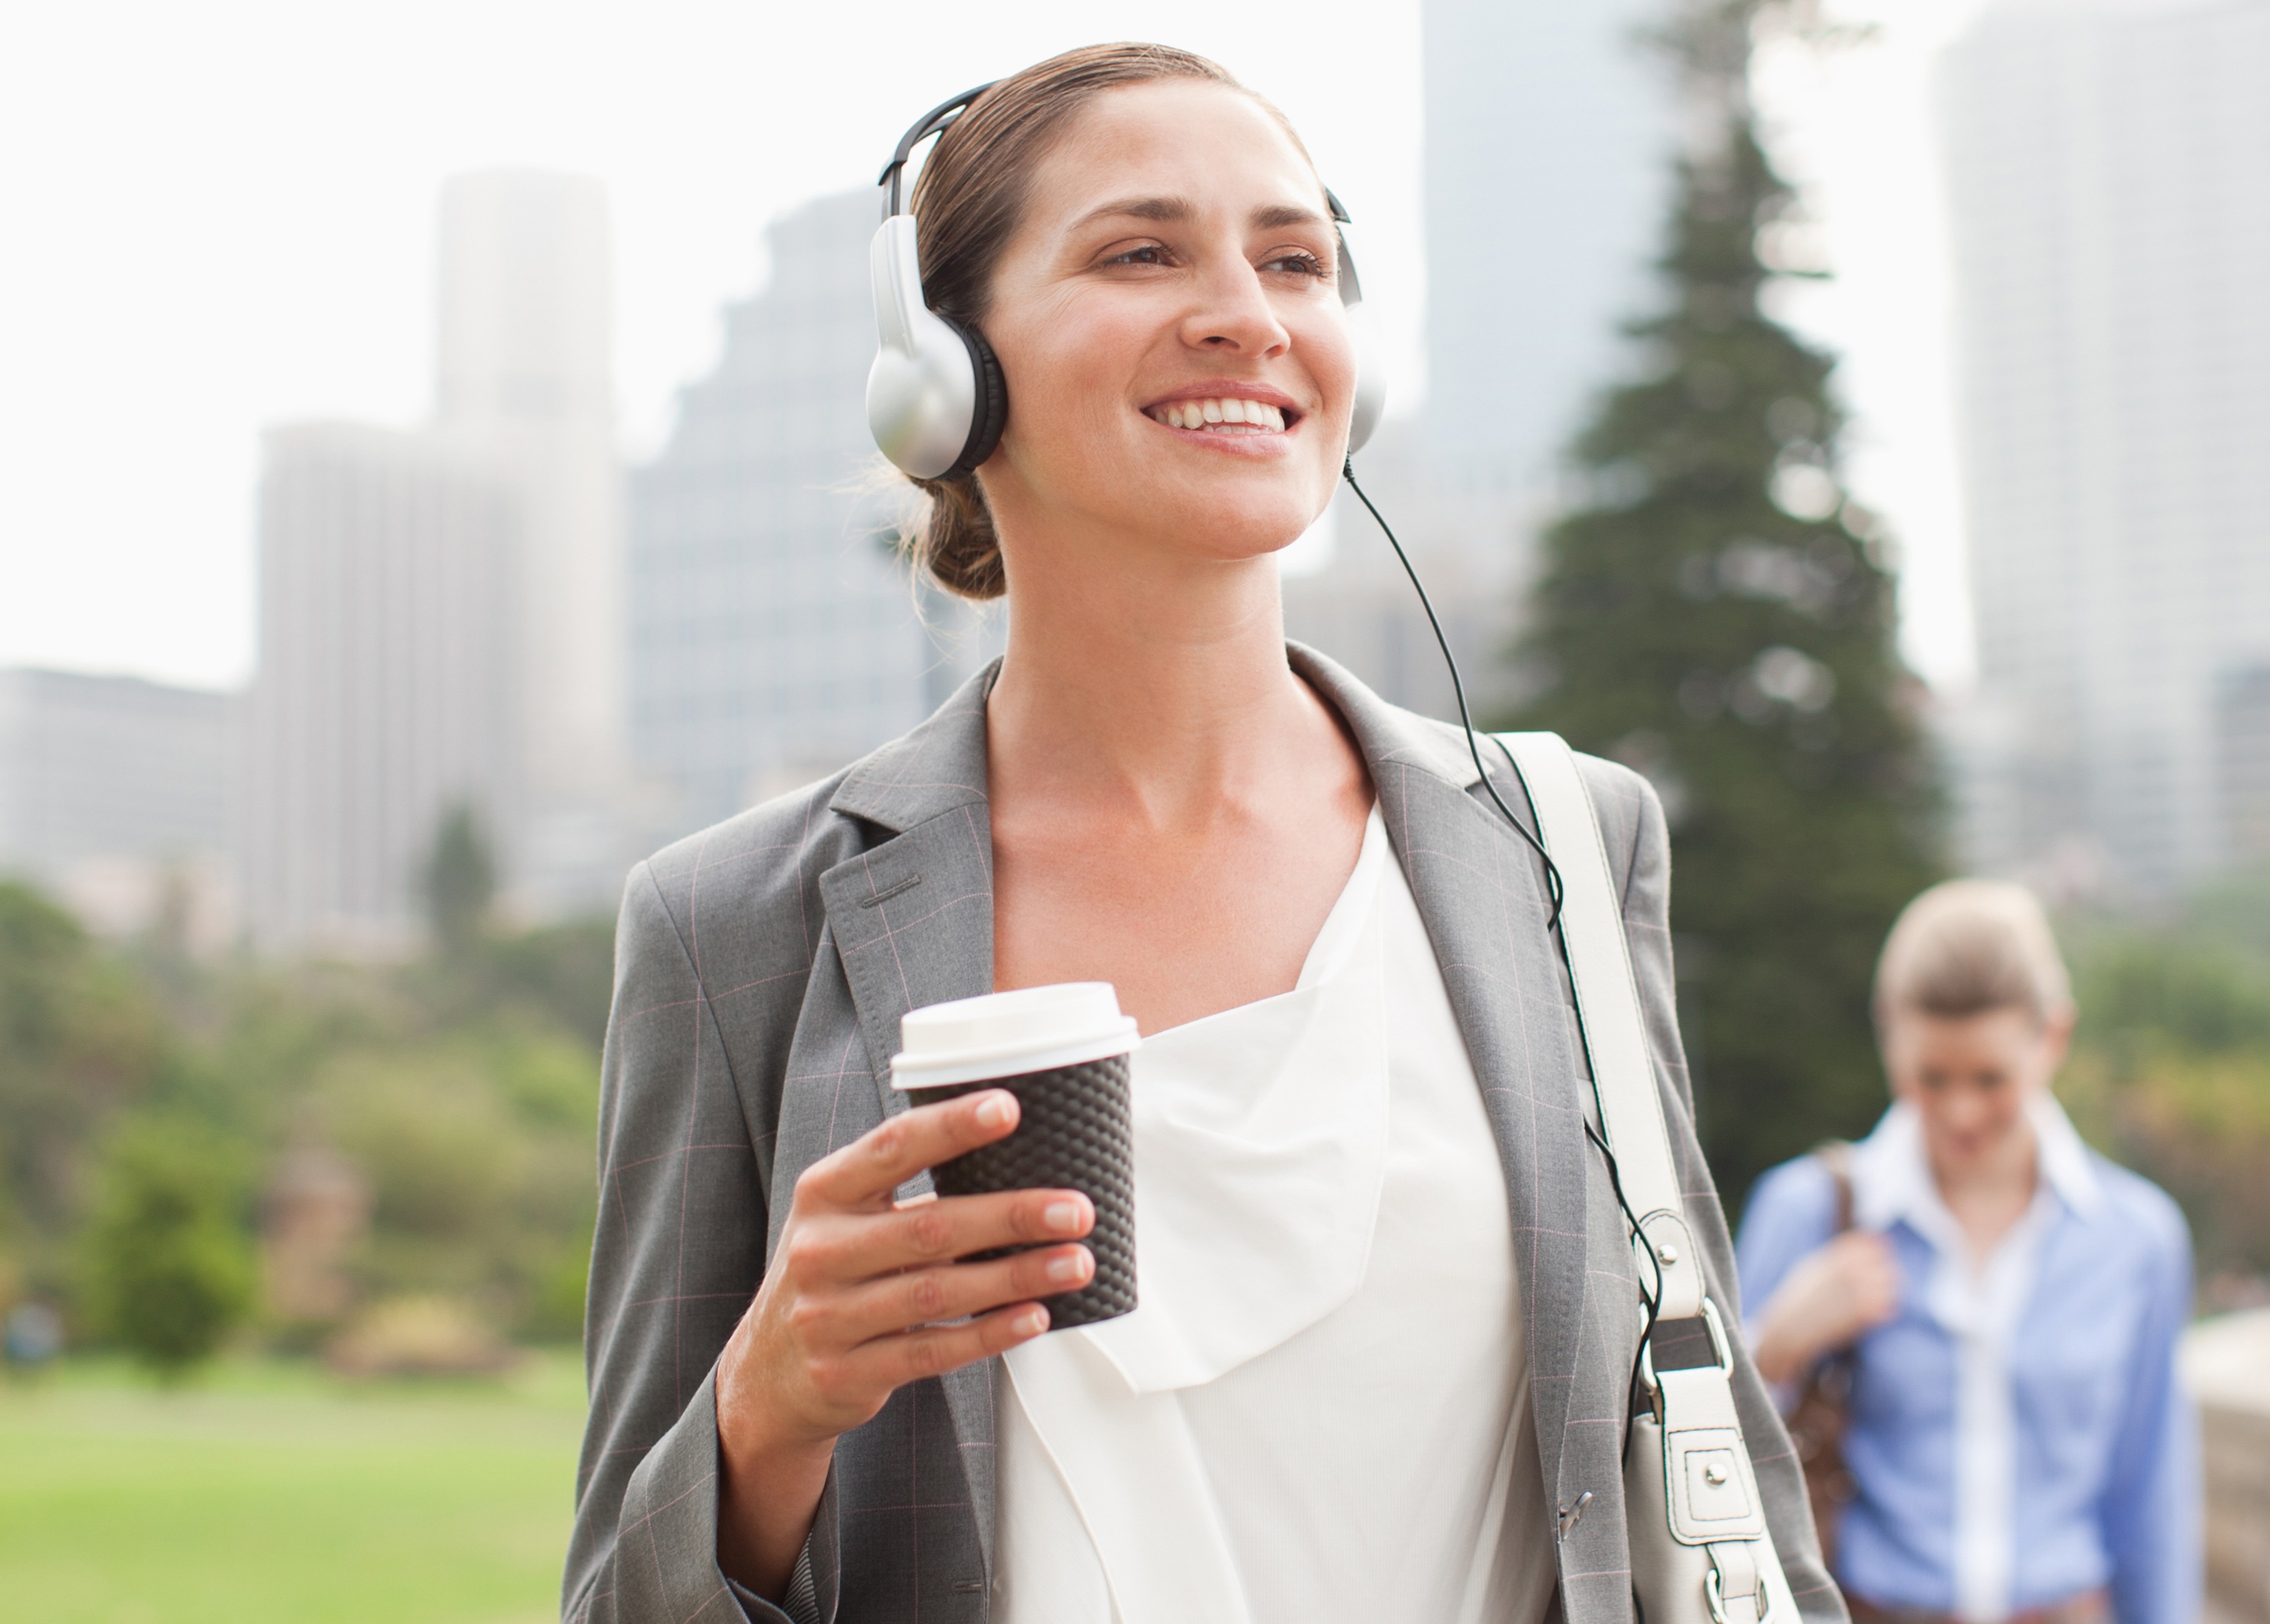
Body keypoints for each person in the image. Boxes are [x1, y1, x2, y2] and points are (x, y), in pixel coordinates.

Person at [561, 43, 1838, 1624]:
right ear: (944, 367)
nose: (1246, 307)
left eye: (1294, 258)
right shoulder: (736, 926)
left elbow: (1733, 1508)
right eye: (1140, 249)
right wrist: (764, 1412)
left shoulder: (1562, 847)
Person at [1733, 882, 2197, 1624]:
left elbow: (2151, 1495)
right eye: (1931, 1077)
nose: (1960, 1111)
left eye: (1990, 1078)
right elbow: (1698, 1464)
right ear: (1888, 1033)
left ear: (2054, 1038)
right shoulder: (1809, 1210)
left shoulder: (2137, 1238)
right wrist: (1775, 1345)